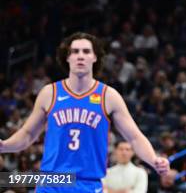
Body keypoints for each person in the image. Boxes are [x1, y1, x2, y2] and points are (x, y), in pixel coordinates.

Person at [0, 32, 169, 192]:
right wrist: (4, 145)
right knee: (8, 181)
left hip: (87, 182)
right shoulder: (49, 93)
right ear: (67, 57)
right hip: (52, 181)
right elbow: (28, 134)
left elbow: (134, 137)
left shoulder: (108, 96)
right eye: (75, 51)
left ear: (95, 57)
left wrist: (154, 160)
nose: (80, 55)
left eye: (86, 51)